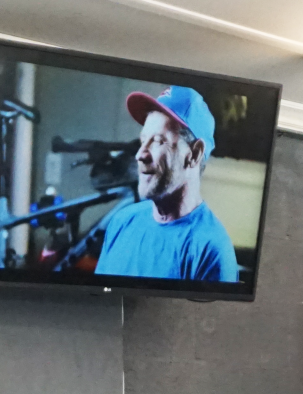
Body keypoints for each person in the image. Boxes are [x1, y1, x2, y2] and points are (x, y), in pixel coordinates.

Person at [89, 85, 237, 284]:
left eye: (158, 141)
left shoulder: (210, 250)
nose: (140, 154)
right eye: (143, 140)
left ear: (194, 154)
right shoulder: (122, 222)